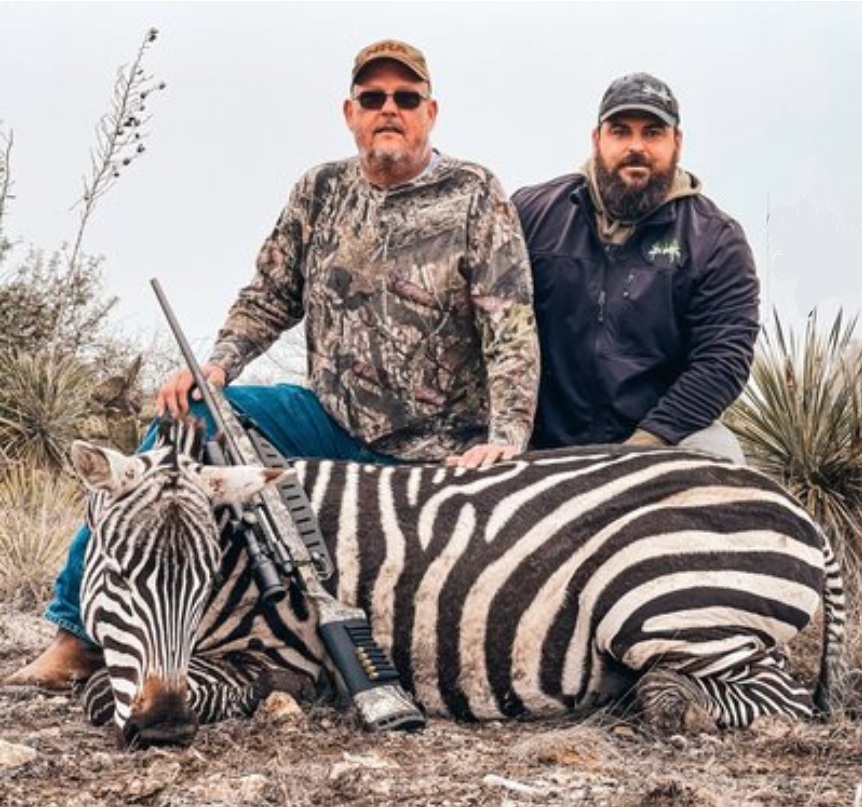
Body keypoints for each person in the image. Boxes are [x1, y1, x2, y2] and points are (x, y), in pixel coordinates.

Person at [6, 39, 540, 690]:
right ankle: (78, 634)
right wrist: (217, 367)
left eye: (406, 98)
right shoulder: (319, 190)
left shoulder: (476, 192)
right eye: (373, 97)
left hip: (434, 446)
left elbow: (509, 327)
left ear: (431, 112)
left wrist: (505, 436)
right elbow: (268, 295)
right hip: (329, 421)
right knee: (187, 417)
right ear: (350, 112)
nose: (389, 109)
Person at [512, 73, 758, 460]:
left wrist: (642, 447)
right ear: (597, 139)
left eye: (653, 133)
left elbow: (723, 359)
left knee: (722, 457)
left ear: (677, 142)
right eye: (621, 131)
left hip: (661, 438)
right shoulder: (531, 213)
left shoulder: (716, 239)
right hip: (539, 440)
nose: (636, 147)